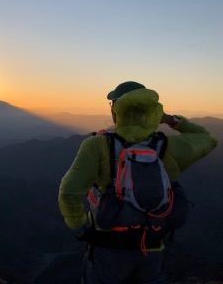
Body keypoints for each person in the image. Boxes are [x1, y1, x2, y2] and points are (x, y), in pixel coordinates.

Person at [58, 81, 218, 284]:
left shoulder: (97, 145)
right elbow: (207, 138)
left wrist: (79, 229)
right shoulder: (169, 147)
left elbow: (68, 192)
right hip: (151, 249)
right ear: (151, 112)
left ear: (116, 110)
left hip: (107, 250)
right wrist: (170, 120)